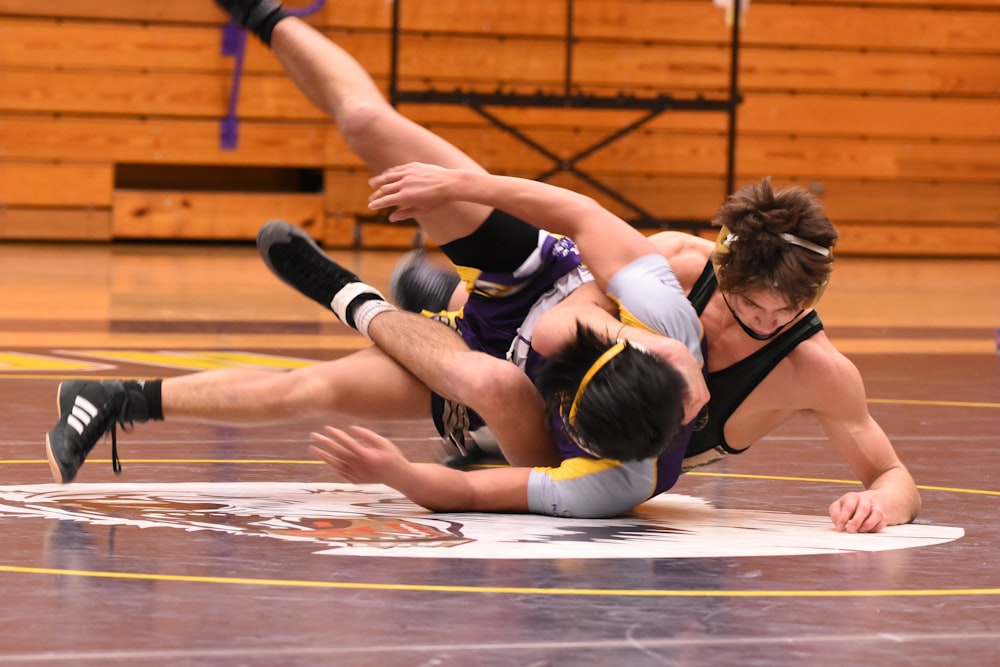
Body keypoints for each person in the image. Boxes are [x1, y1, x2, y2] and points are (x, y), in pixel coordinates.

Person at [44, 0, 709, 519]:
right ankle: (263, 15)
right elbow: (585, 216)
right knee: (367, 125)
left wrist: (397, 473)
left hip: (493, 379)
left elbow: (476, 495)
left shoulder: (606, 483)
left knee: (327, 390)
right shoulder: (663, 328)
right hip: (537, 277)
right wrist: (461, 187)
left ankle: (115, 397)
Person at [369, 170, 923, 534]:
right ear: (723, 269)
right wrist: (659, 347)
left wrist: (884, 505)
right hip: (558, 369)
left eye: (787, 312)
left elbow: (892, 475)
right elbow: (561, 323)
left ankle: (440, 305)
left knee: (545, 468)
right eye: (752, 307)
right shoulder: (678, 264)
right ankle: (440, 299)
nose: (767, 324)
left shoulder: (817, 370)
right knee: (506, 328)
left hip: (616, 452)